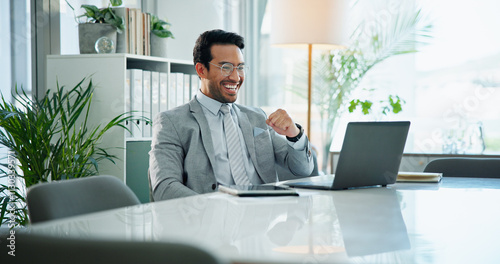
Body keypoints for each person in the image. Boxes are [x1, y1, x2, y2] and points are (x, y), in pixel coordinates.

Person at [149, 29, 314, 201]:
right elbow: (165, 188)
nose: (236, 77)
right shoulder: (172, 122)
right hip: (212, 220)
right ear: (201, 70)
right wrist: (214, 210)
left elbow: (302, 169)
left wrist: (294, 134)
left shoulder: (257, 117)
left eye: (240, 67)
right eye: (226, 67)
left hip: (264, 216)